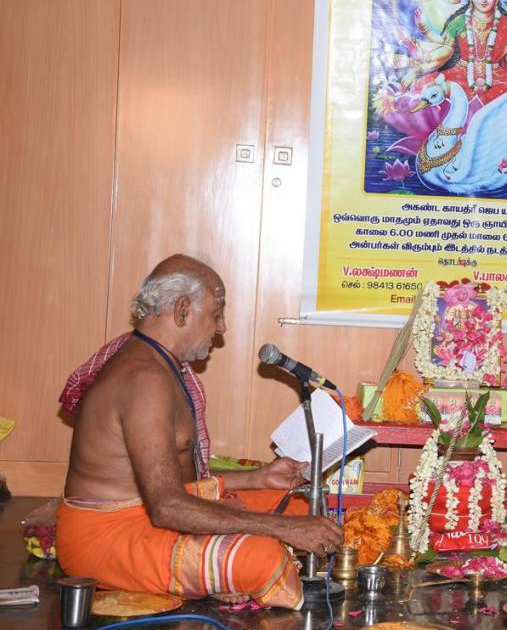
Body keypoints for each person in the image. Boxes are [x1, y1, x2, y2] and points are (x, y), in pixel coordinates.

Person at [56, 255, 345, 609]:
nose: (221, 327)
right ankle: (213, 573)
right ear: (182, 310)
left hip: (150, 511)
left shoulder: (159, 364)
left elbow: (170, 480)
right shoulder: (144, 380)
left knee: (298, 505)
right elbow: (166, 506)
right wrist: (280, 529)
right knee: (262, 558)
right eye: (217, 313)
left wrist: (259, 478)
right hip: (106, 540)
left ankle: (209, 571)